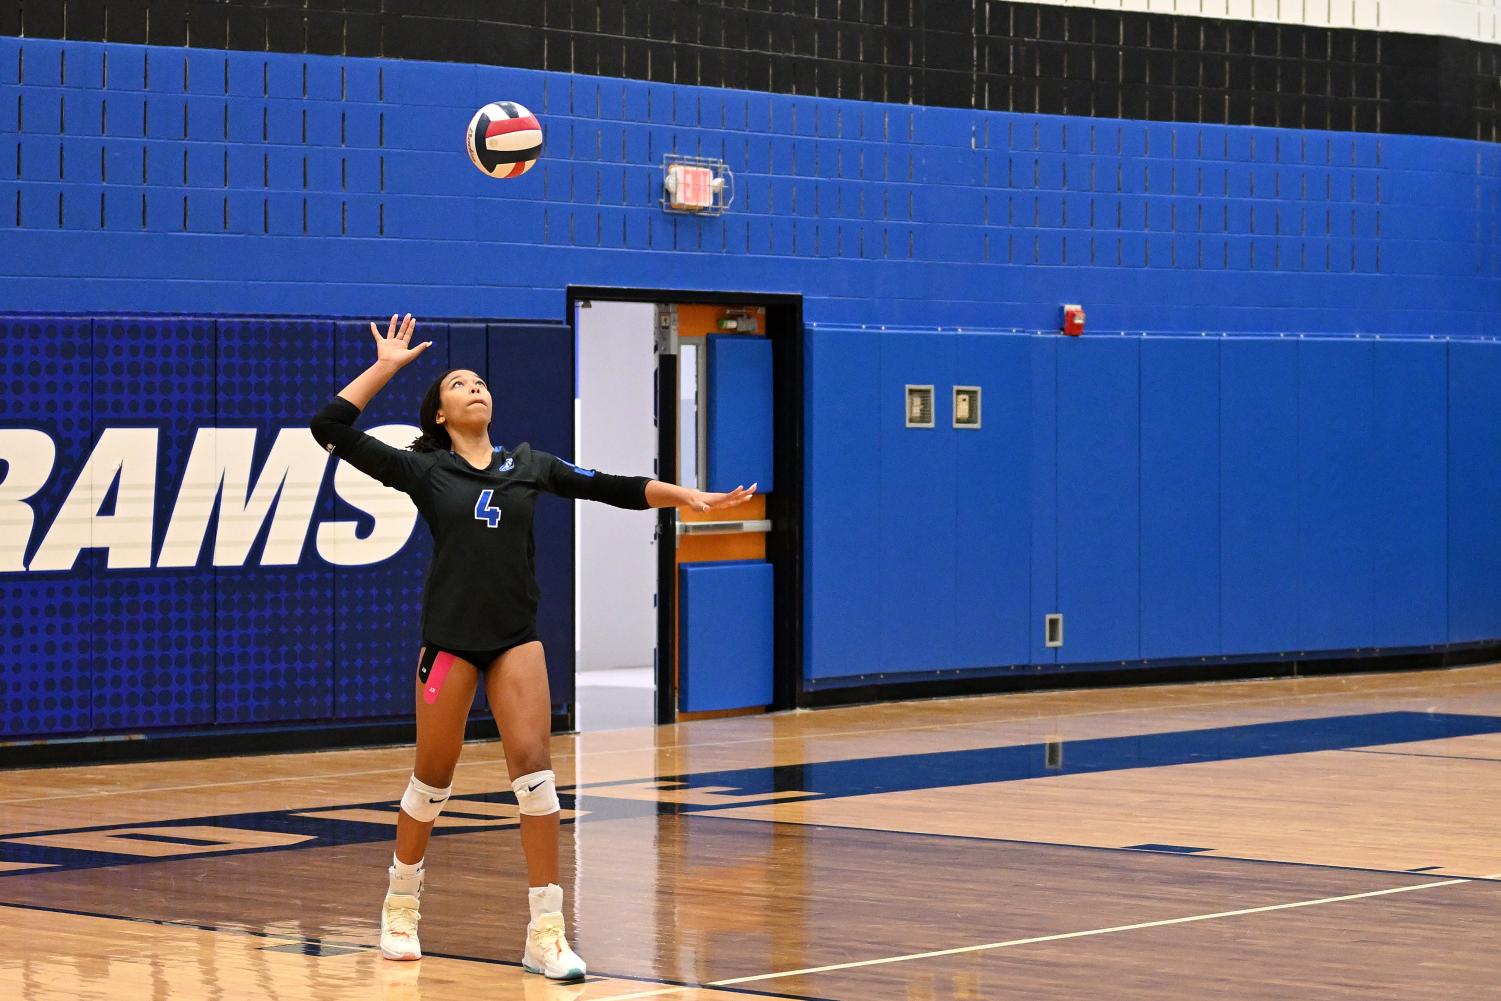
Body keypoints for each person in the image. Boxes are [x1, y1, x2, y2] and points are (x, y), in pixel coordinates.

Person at [310, 314, 756, 979]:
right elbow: (330, 429)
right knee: (431, 780)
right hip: (451, 641)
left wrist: (685, 495)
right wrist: (386, 367)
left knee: (536, 777)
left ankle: (546, 932)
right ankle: (400, 906)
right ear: (438, 412)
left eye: (480, 381)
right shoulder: (422, 469)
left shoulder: (528, 464)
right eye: (460, 384)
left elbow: (611, 486)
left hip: (515, 638)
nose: (476, 388)